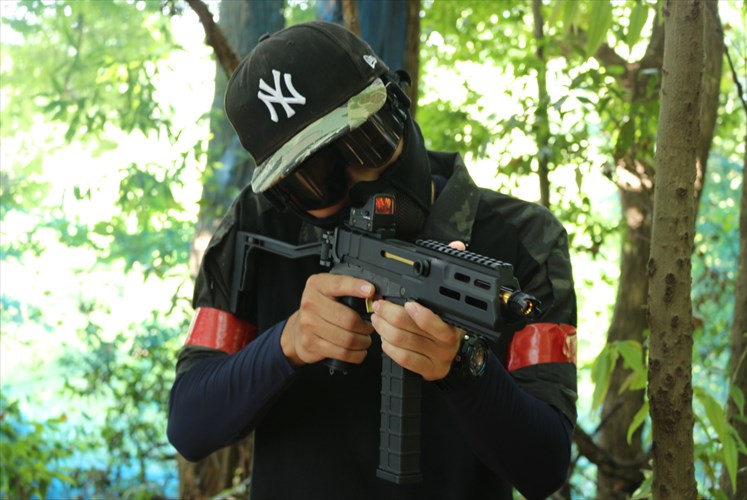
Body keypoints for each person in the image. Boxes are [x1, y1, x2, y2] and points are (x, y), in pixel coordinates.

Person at [167, 21, 577, 500]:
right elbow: (190, 424)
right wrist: (287, 344)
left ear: (399, 106)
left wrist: (464, 369)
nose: (363, 184)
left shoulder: (522, 238)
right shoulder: (257, 231)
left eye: (367, 144)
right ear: (283, 196)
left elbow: (545, 465)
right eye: (315, 181)